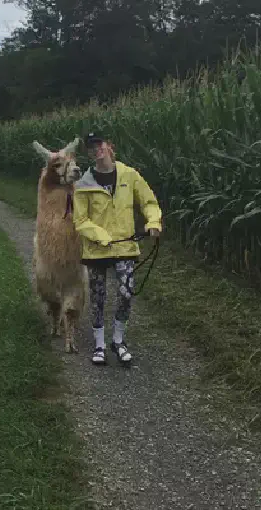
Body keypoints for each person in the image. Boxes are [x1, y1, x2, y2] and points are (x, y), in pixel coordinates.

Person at [72, 132, 162, 366]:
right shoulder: (83, 184)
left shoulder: (129, 175)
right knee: (97, 297)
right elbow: (80, 220)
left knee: (126, 293)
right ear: (89, 153)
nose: (96, 150)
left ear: (109, 146)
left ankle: (118, 340)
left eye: (99, 144)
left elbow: (148, 202)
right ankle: (99, 344)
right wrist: (102, 237)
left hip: (125, 246)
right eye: (91, 147)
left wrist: (153, 222)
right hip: (96, 249)